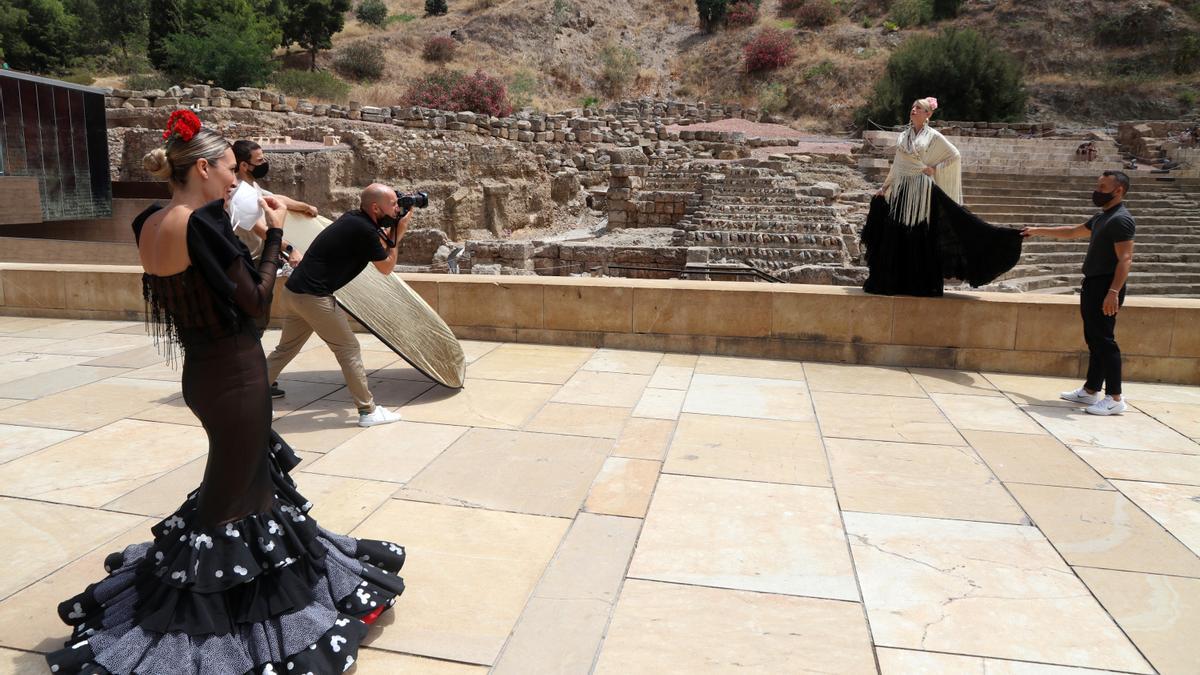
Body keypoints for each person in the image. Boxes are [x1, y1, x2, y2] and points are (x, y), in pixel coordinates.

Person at [46, 111, 406, 674]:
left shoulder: (150, 219)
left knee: (248, 486)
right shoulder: (197, 225)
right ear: (205, 167)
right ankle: (198, 620)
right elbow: (257, 304)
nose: (236, 181)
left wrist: (255, 235)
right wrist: (278, 233)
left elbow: (205, 287)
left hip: (203, 373)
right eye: (230, 170)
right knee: (229, 501)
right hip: (237, 375)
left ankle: (248, 588)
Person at [266, 184, 410, 428]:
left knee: (286, 349)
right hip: (314, 296)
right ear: (376, 207)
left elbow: (379, 245)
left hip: (293, 292)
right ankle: (367, 411)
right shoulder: (364, 229)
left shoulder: (355, 219)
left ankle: (249, 398)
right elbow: (386, 267)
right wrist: (401, 230)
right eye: (394, 204)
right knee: (349, 349)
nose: (397, 209)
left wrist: (393, 228)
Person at [861, 97, 1024, 296]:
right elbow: (898, 164)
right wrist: (885, 187)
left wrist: (935, 169)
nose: (913, 110)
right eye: (913, 107)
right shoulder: (903, 136)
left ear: (928, 114)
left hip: (922, 191)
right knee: (896, 232)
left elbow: (954, 155)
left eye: (918, 108)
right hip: (903, 189)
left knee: (919, 234)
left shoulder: (933, 137)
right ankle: (895, 281)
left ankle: (918, 283)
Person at [1022, 171, 1135, 416]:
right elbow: (1073, 232)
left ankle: (1115, 397)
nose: (1097, 190)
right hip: (1094, 284)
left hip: (1107, 285)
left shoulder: (1121, 219)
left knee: (1105, 340)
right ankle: (1090, 390)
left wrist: (1113, 291)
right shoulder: (1102, 217)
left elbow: (1125, 259)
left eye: (1103, 186)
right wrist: (1037, 230)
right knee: (1094, 338)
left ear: (1118, 190)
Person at [228, 139, 315, 265]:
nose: (264, 163)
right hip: (251, 262)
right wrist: (291, 250)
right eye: (259, 160)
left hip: (260, 254)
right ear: (244, 166)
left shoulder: (250, 184)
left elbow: (276, 198)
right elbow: (262, 231)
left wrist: (306, 207)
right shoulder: (240, 193)